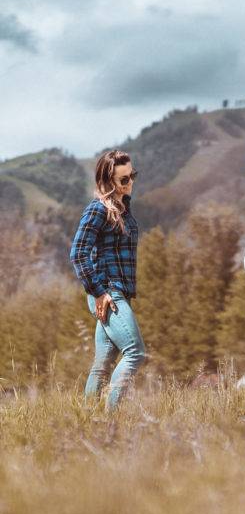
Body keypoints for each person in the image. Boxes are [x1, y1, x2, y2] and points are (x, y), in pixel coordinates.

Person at [70, 150, 145, 410]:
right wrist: (99, 292)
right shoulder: (98, 209)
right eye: (123, 180)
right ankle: (112, 420)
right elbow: (78, 253)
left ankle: (88, 421)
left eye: (131, 176)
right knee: (135, 353)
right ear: (107, 181)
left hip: (117, 292)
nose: (130, 183)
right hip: (108, 293)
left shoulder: (123, 209)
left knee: (102, 365)